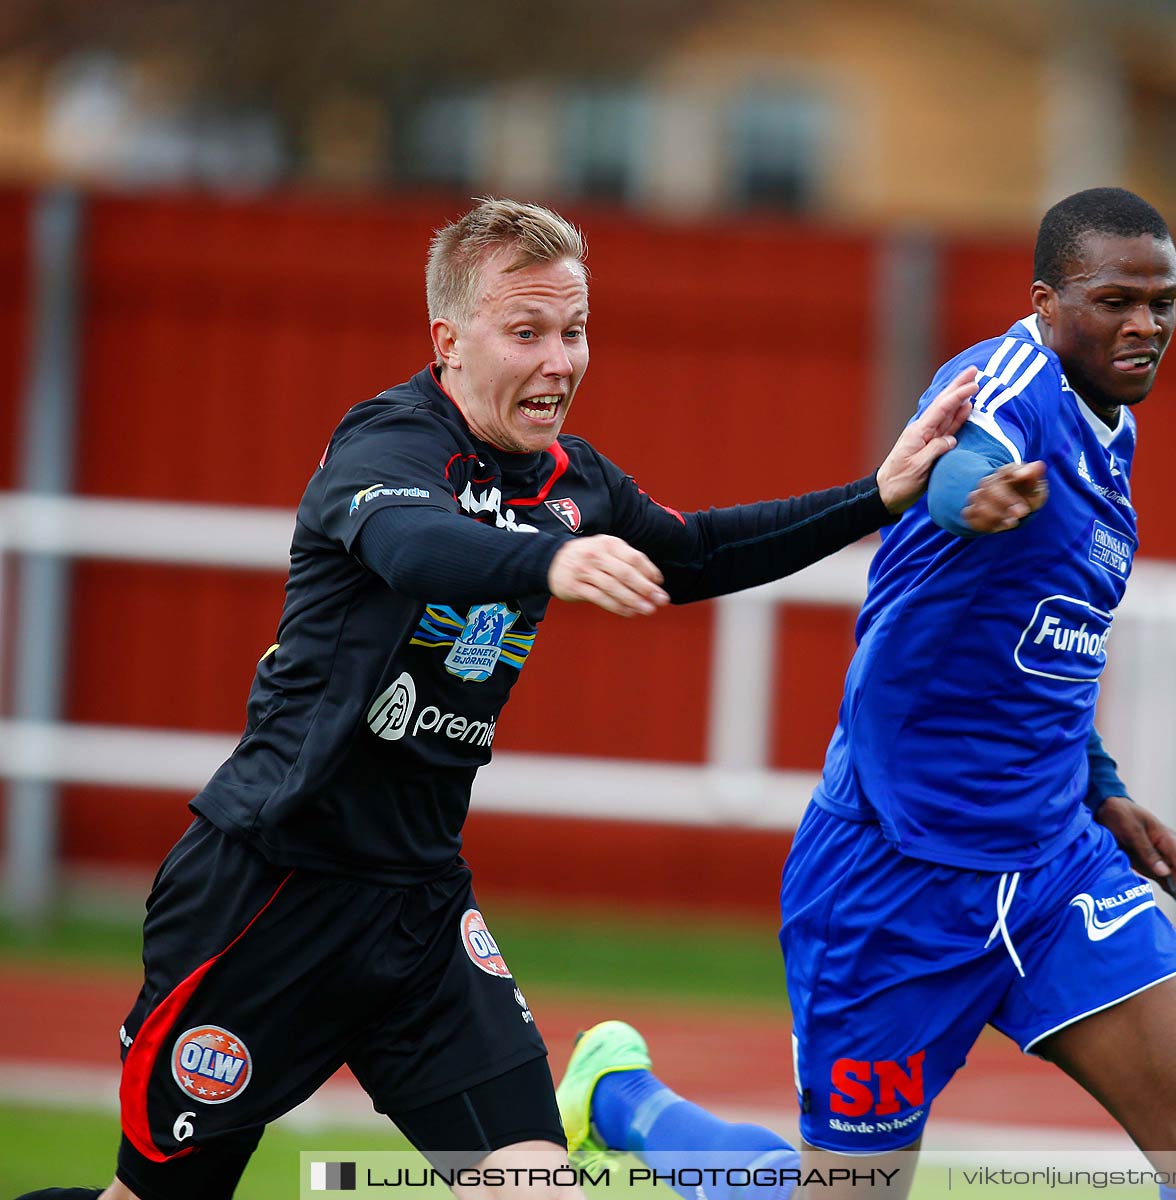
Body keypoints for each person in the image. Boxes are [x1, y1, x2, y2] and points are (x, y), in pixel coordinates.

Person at [15, 197, 976, 1200]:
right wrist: (546, 561)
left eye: (575, 330)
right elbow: (412, 544)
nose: (561, 360)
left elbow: (697, 552)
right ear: (450, 341)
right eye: (528, 332)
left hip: (421, 912)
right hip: (270, 892)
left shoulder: (574, 480)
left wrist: (877, 494)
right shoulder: (386, 444)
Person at [558, 188, 1176, 1200]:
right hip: (895, 877)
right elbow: (959, 461)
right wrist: (970, 497)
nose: (1146, 324)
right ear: (1045, 300)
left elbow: (1047, 637)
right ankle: (627, 1106)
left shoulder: (1112, 424)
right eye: (1116, 300)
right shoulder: (1001, 381)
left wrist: (1100, 784)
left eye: (1164, 301)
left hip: (1051, 863)